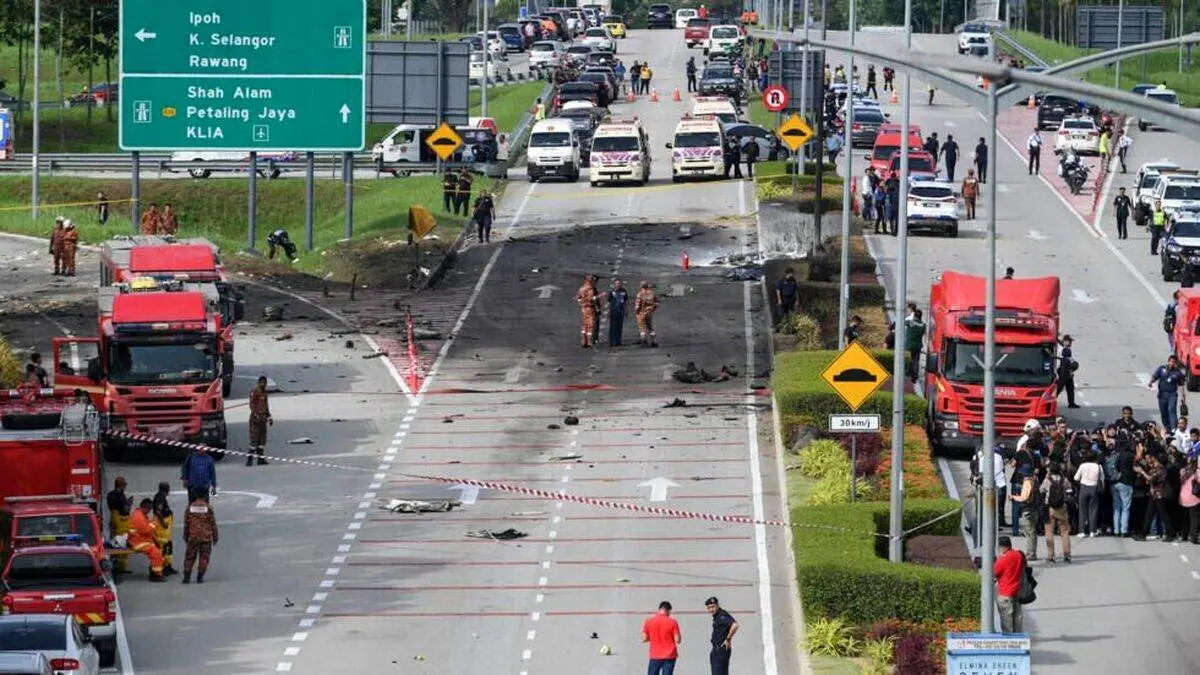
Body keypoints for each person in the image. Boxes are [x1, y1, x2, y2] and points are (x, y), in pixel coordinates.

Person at [1135, 454, 1176, 541]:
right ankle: (1143, 534)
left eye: (1151, 458)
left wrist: (1142, 472)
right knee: (1149, 515)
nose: (1150, 459)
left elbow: (1151, 479)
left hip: (1159, 495)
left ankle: (1171, 534)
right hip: (1153, 495)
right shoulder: (1155, 468)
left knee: (1163, 515)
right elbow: (1148, 480)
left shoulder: (1160, 469)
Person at [182, 493, 218, 584]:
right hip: (206, 536)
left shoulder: (190, 507)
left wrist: (186, 535)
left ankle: (187, 576)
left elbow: (187, 523)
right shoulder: (208, 508)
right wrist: (215, 536)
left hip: (193, 536)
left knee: (190, 556)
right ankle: (200, 577)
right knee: (204, 557)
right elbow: (213, 523)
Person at [993, 535, 1026, 633]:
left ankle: (1009, 645)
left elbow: (994, 572)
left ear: (1001, 547)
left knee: (1007, 624)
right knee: (1017, 621)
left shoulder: (1002, 559)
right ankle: (1018, 644)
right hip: (1017, 592)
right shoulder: (1019, 555)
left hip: (1005, 594)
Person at [1040, 463, 1073, 563]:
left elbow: (1041, 490)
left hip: (1050, 508)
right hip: (1062, 508)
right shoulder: (1064, 480)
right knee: (1064, 532)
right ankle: (1067, 555)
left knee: (1049, 533)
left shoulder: (1047, 481)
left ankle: (1051, 556)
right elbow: (1070, 489)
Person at [129, 499, 167, 582]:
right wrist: (154, 524)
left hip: (141, 541)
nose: (150, 511)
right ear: (145, 507)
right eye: (149, 509)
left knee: (158, 549)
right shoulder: (138, 516)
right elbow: (146, 530)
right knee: (155, 552)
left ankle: (155, 569)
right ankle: (156, 574)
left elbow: (146, 529)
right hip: (137, 542)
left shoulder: (141, 515)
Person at [642, 600, 681, 675]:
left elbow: (644, 639)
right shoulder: (673, 622)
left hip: (655, 655)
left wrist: (653, 637)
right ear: (667, 610)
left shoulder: (649, 621)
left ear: (659, 609)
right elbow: (678, 640)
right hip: (670, 655)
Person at [1010, 464, 1039, 560]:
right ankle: (1032, 552)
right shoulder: (1035, 481)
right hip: (1034, 509)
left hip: (1027, 509)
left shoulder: (1027, 482)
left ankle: (1031, 554)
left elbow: (1024, 497)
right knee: (1032, 532)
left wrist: (1013, 497)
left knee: (1029, 532)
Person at [1150, 355, 1187, 431]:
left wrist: (1183, 396)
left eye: (1174, 362)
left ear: (1176, 363)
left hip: (1172, 394)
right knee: (1163, 413)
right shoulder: (1161, 369)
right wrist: (1151, 382)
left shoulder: (1178, 373)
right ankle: (1168, 428)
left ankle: (1174, 429)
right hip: (1162, 395)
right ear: (1168, 361)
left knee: (1171, 410)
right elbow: (1155, 376)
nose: (1172, 363)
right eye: (1171, 361)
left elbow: (1181, 385)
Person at [1074, 449, 1105, 537]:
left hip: (1084, 487)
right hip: (1094, 488)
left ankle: (1082, 531)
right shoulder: (1098, 466)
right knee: (1093, 510)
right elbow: (1102, 478)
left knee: (1082, 510)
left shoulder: (1083, 465)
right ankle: (1092, 530)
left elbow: (1076, 477)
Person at [106, 477, 134, 574]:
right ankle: (120, 568)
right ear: (121, 485)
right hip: (121, 521)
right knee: (122, 543)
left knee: (114, 542)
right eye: (125, 485)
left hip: (113, 520)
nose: (125, 487)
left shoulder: (110, 495)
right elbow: (125, 510)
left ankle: (114, 564)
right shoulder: (121, 496)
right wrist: (130, 503)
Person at [705, 597, 739, 675]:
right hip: (718, 650)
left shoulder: (721, 616)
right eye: (709, 608)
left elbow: (735, 625)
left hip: (720, 650)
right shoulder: (718, 615)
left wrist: (728, 639)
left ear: (717, 605)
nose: (711, 609)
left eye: (713, 607)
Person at [151, 481, 178, 576]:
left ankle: (168, 566)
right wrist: (164, 524)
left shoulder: (161, 497)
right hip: (161, 529)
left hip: (165, 530)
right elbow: (159, 513)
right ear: (167, 489)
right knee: (163, 548)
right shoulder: (159, 498)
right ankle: (162, 567)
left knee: (168, 546)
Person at [248, 375, 273, 465]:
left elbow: (266, 406)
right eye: (261, 382)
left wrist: (269, 417)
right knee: (254, 440)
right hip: (255, 420)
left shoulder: (265, 393)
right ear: (259, 383)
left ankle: (260, 459)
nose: (263, 384)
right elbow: (252, 404)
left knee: (262, 440)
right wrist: (255, 414)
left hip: (263, 419)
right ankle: (249, 459)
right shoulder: (254, 392)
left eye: (264, 383)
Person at [575, 276, 599, 349]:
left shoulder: (581, 288)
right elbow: (592, 299)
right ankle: (589, 342)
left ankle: (583, 341)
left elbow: (578, 298)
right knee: (590, 325)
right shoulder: (590, 289)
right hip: (590, 308)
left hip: (583, 309)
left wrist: (581, 305)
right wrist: (600, 296)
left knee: (584, 325)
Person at [1057, 335, 1080, 408]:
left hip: (1068, 370)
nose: (1070, 343)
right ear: (1065, 341)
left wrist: (1071, 370)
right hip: (1062, 371)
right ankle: (1050, 401)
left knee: (1070, 387)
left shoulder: (1067, 348)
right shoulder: (1060, 348)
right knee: (1059, 388)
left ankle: (1071, 403)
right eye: (1069, 341)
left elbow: (1071, 359)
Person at [635, 281, 660, 348]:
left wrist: (637, 312)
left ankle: (644, 342)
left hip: (642, 313)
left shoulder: (640, 294)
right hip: (649, 313)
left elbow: (637, 305)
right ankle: (654, 342)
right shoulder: (652, 293)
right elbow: (657, 303)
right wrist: (652, 310)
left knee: (642, 328)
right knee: (650, 327)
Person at [1181, 458, 1200, 544]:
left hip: (1183, 497)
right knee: (1195, 519)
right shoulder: (1197, 472)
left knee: (1185, 518)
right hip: (1193, 498)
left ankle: (1184, 536)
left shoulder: (1184, 470)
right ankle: (1194, 537)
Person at [904, 308, 925, 383]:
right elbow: (922, 333)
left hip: (909, 345)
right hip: (918, 346)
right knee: (915, 361)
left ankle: (907, 373)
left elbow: (904, 322)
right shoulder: (923, 325)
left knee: (908, 360)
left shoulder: (910, 322)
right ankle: (914, 376)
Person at [607, 279, 629, 347]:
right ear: (614, 284)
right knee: (613, 327)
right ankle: (612, 342)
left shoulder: (624, 291)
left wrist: (626, 310)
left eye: (619, 283)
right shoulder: (612, 292)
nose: (618, 284)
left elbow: (626, 301)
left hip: (621, 311)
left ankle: (618, 341)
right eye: (617, 283)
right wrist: (608, 311)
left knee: (619, 327)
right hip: (613, 311)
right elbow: (609, 302)